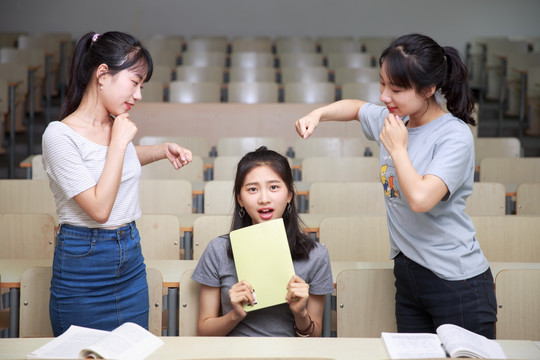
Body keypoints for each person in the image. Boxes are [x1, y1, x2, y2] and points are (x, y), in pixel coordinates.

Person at [295, 33, 497, 338]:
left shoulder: (453, 136)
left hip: (456, 282)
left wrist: (398, 149)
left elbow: (420, 199)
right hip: (408, 275)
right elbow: (355, 108)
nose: (385, 96)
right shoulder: (394, 120)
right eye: (382, 83)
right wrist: (318, 114)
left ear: (429, 89)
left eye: (397, 89)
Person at [42, 31, 192, 336]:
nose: (138, 95)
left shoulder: (114, 129)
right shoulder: (58, 135)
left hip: (131, 258)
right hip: (83, 265)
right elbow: (99, 209)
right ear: (102, 74)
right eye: (134, 83)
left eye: (141, 86)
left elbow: (106, 162)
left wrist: (160, 150)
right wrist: (119, 143)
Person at [192, 146, 334, 337]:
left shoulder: (316, 255)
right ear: (240, 199)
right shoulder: (218, 250)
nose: (264, 199)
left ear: (289, 195)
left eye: (274, 187)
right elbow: (203, 331)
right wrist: (235, 315)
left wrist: (300, 314)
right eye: (252, 189)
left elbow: (314, 336)